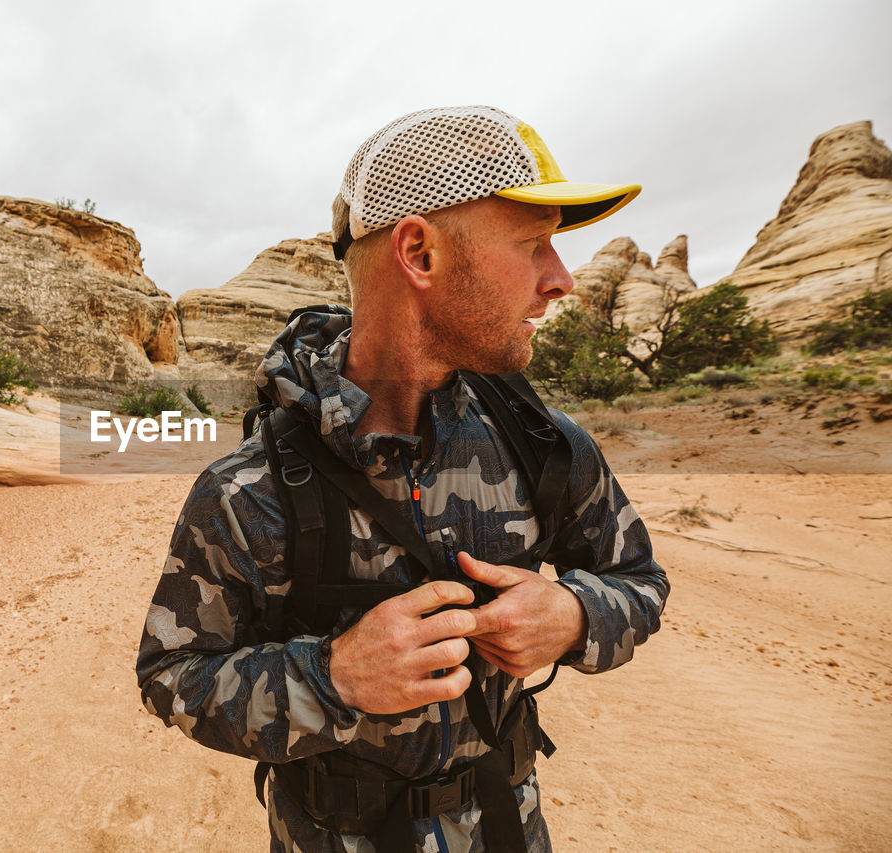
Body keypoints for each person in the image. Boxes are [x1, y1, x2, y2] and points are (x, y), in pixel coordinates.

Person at [136, 105, 670, 852]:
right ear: (419, 253)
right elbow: (173, 674)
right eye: (534, 244)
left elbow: (639, 578)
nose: (562, 279)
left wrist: (575, 614)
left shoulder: (541, 442)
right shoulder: (248, 489)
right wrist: (332, 678)